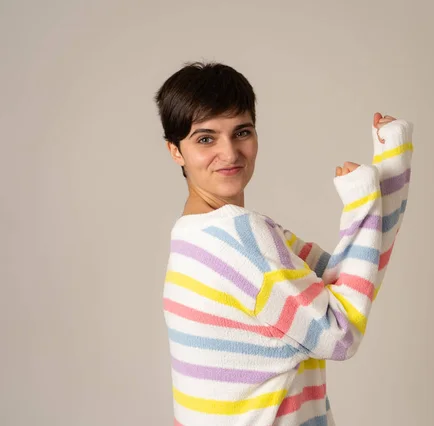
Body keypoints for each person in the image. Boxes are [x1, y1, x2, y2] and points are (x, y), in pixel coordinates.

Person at [154, 61, 414, 426]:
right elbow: (341, 332)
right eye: (206, 138)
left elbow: (352, 275)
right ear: (175, 151)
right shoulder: (239, 236)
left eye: (241, 132)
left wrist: (392, 164)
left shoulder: (196, 234)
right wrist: (361, 202)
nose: (229, 153)